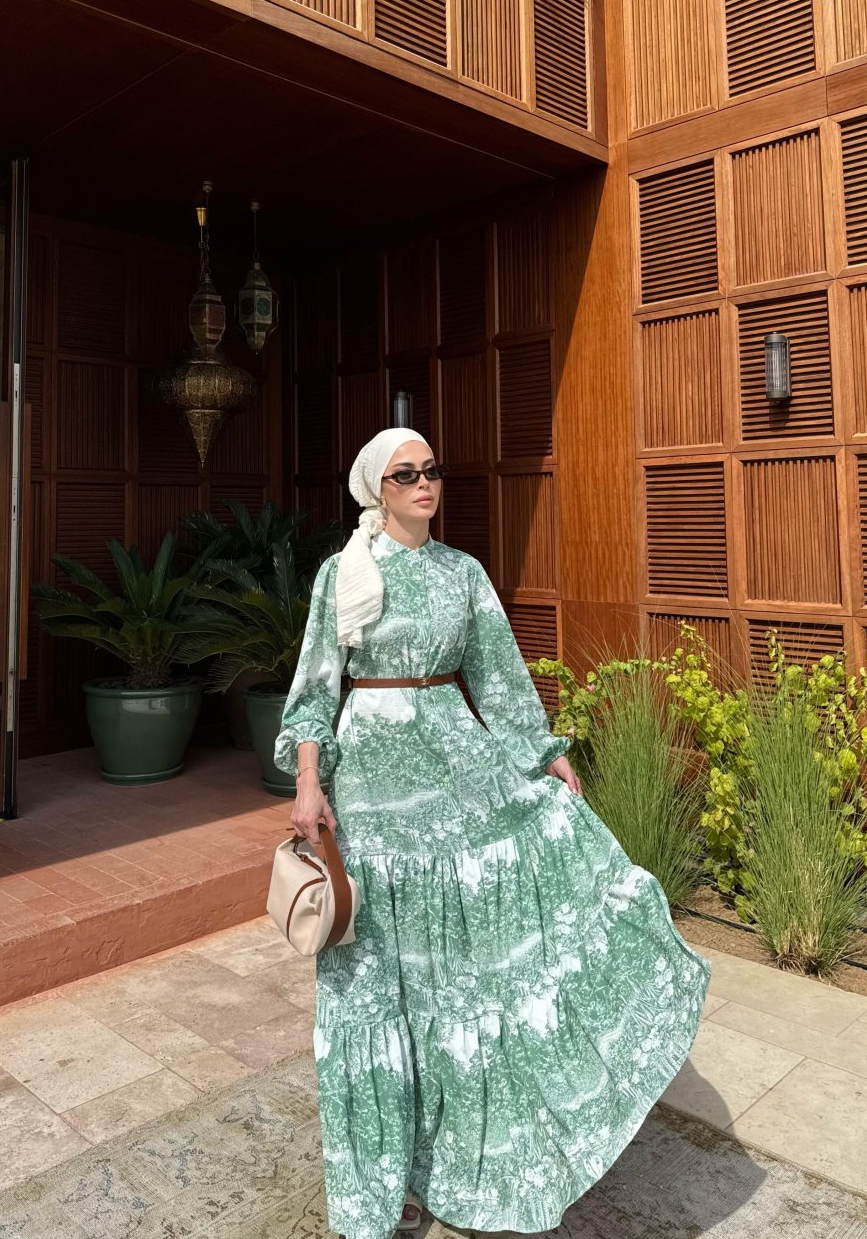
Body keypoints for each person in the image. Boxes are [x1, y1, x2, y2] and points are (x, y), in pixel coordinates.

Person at [273, 427, 711, 1239]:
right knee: (376, 984)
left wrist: (543, 755)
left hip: (455, 778)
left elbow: (500, 678)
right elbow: (313, 691)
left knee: (453, 979)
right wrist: (307, 781)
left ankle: (450, 1162)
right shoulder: (344, 574)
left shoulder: (463, 573)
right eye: (405, 474)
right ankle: (378, 1185)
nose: (424, 483)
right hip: (370, 797)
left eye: (432, 470)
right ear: (375, 490)